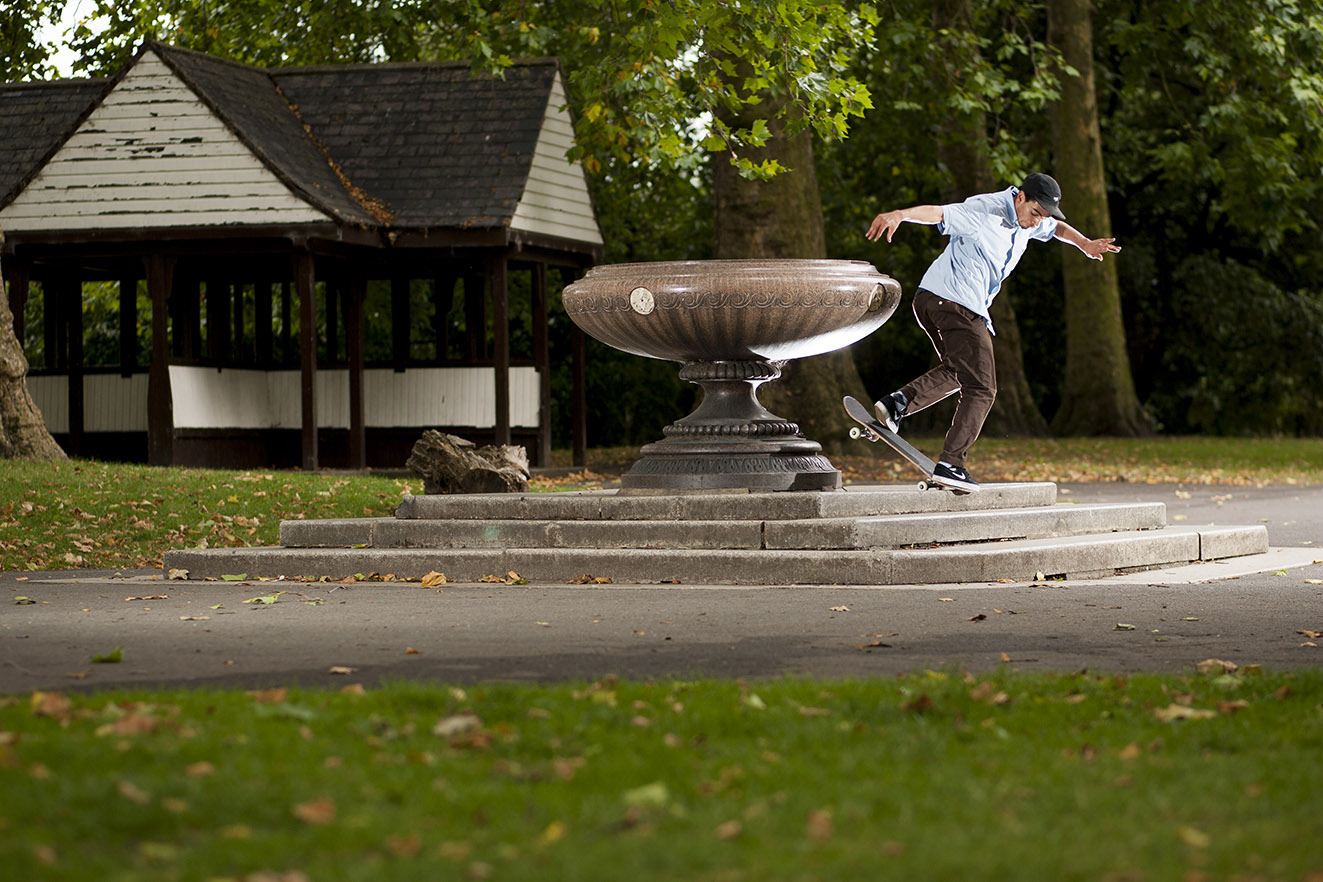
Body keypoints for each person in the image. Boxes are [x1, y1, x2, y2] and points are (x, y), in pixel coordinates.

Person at [865, 172, 1121, 492]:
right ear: (1020, 197)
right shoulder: (985, 210)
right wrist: (901, 215)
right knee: (983, 388)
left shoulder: (1035, 218)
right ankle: (952, 463)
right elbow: (940, 213)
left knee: (959, 371)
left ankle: (897, 404)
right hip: (957, 303)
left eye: (1043, 215)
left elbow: (1056, 228)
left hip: (932, 299)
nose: (1036, 222)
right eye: (1034, 212)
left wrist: (1084, 243)